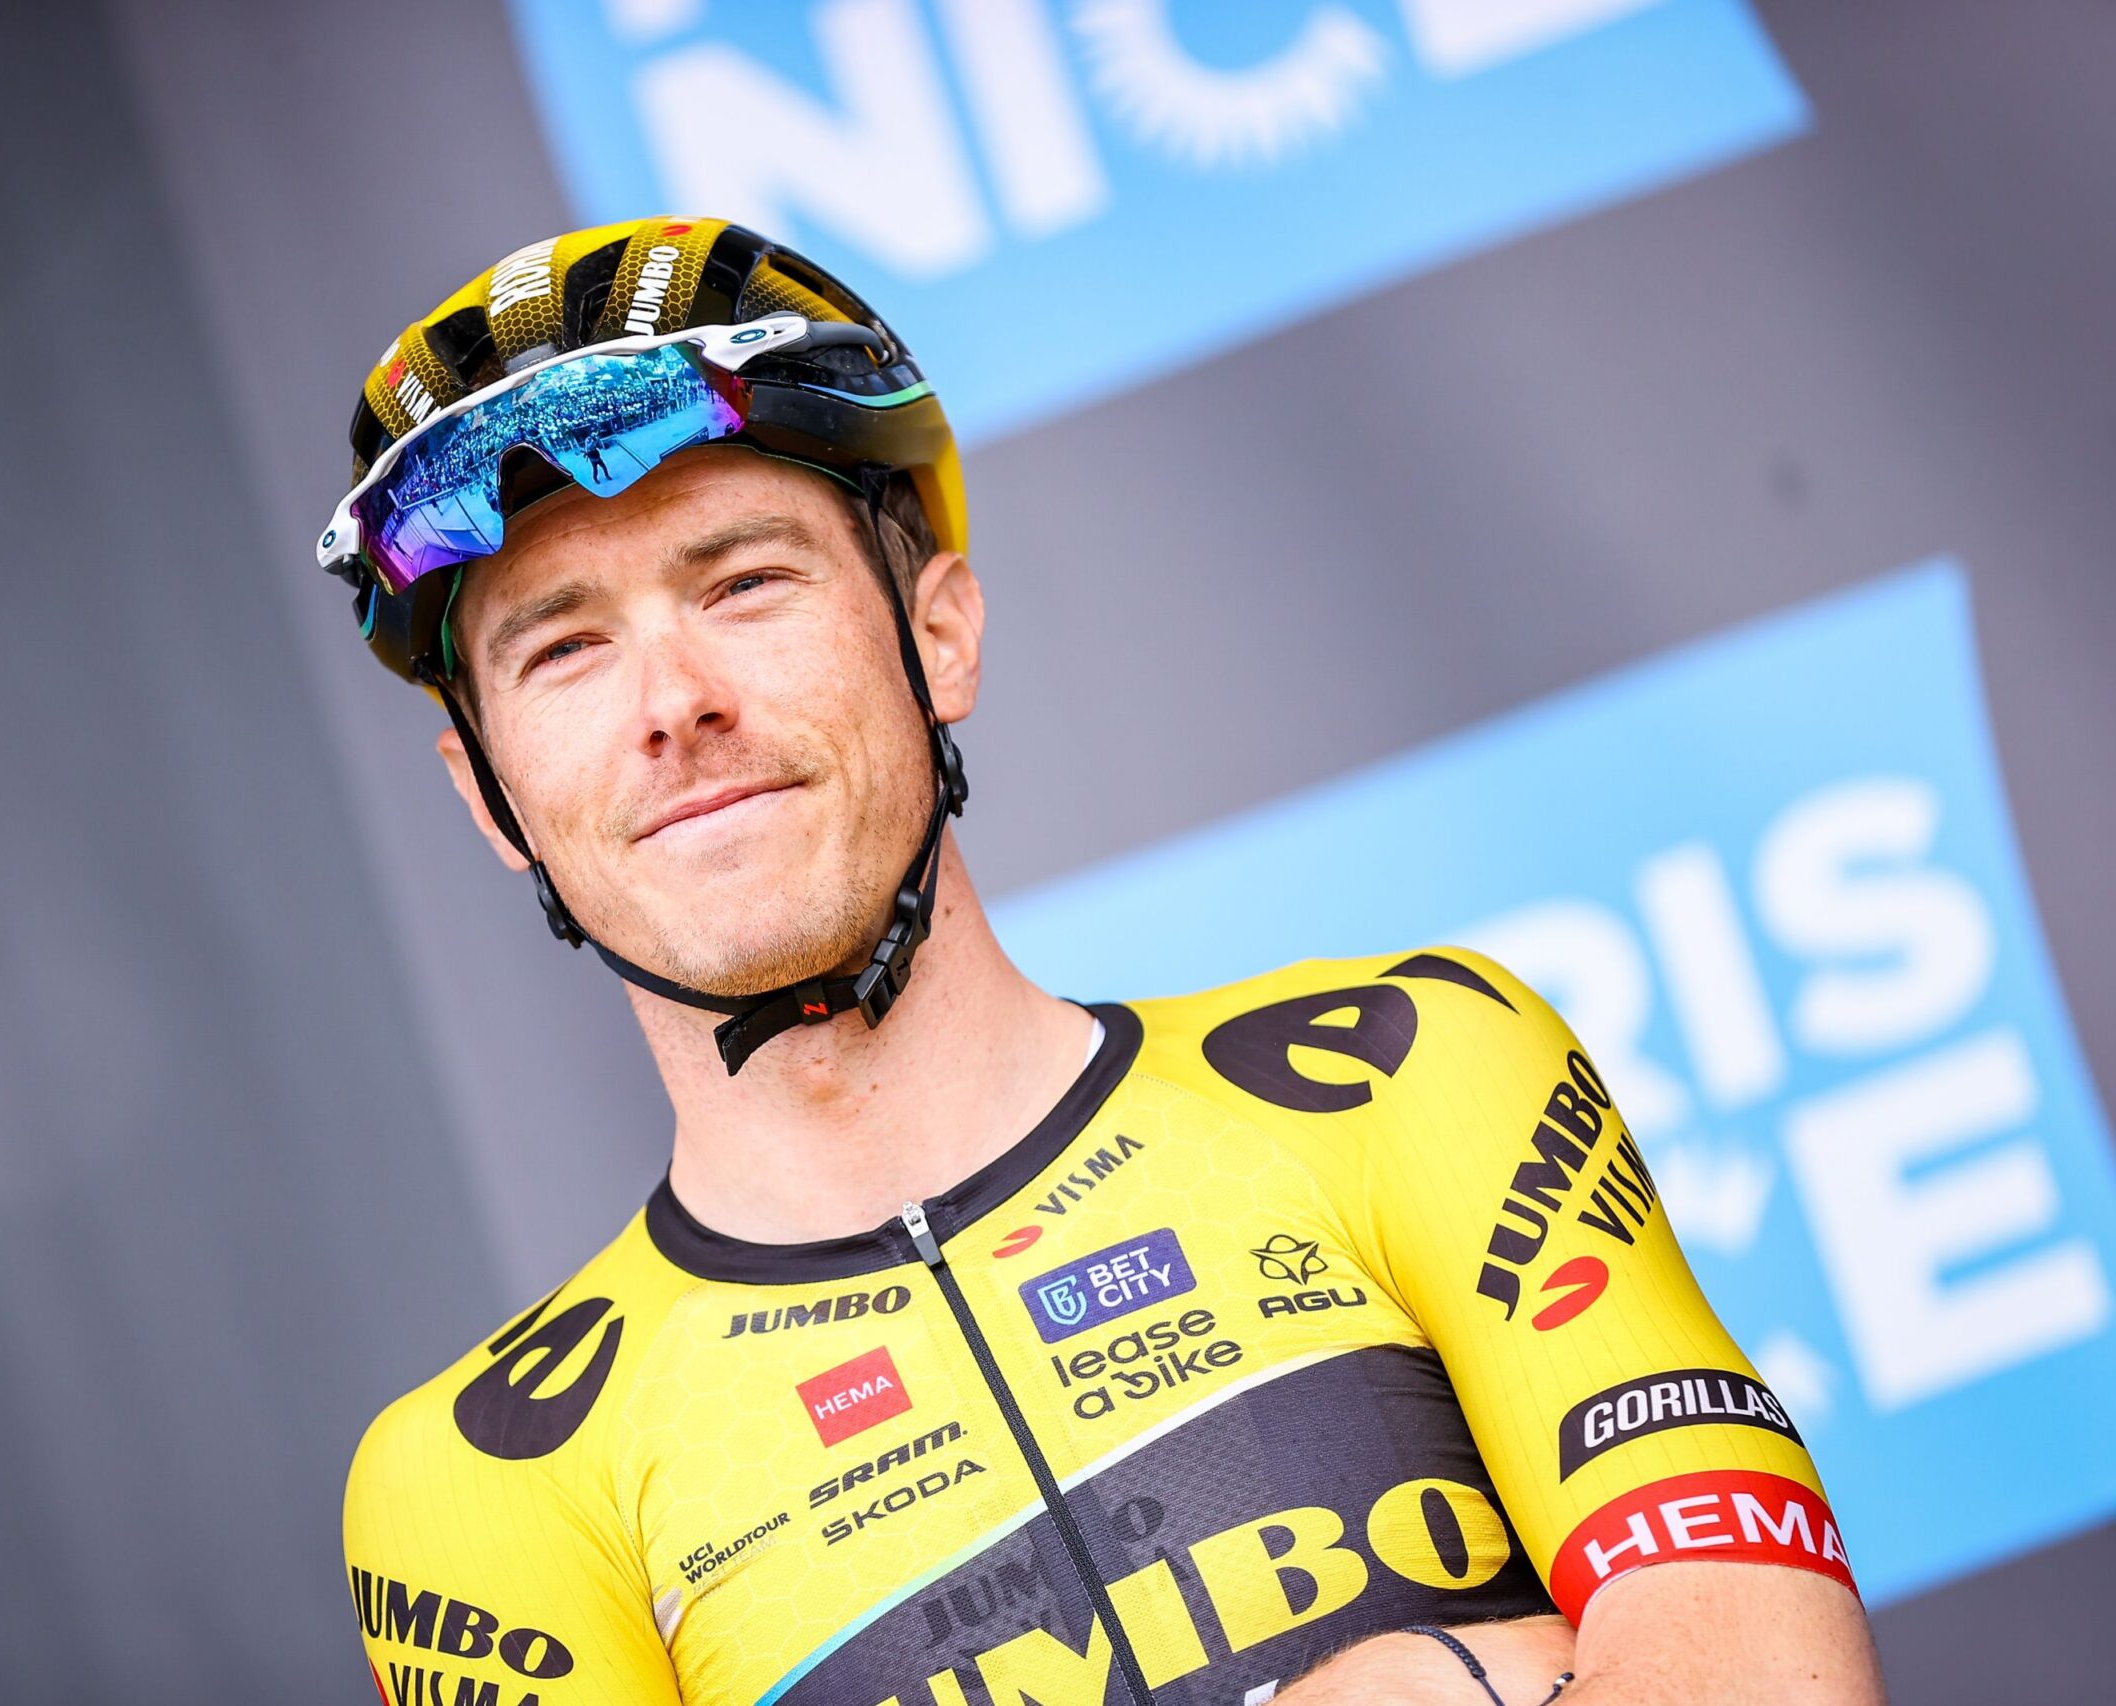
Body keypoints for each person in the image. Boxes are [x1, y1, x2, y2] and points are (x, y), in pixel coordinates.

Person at [318, 219, 1885, 1706]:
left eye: (743, 579)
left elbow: (1767, 1670)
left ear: (940, 636)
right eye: (563, 645)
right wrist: (1469, 1668)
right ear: (491, 797)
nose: (672, 699)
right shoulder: (480, 1486)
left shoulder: (1413, 1075)